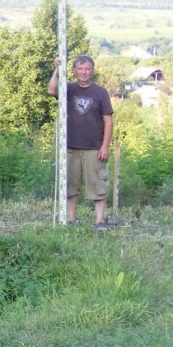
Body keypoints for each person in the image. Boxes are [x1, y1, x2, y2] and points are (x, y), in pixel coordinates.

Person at [48, 54, 114, 227]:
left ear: (92, 71)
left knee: (97, 184)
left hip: (94, 147)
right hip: (70, 146)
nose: (84, 72)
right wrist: (57, 69)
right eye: (80, 68)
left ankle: (99, 220)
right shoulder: (68, 89)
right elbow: (51, 91)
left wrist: (105, 146)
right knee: (70, 184)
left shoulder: (101, 93)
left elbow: (108, 120)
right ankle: (71, 218)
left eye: (87, 69)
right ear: (74, 71)